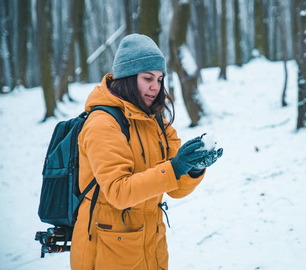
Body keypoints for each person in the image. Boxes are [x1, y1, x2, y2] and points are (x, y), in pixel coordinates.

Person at [70, 33, 222, 270]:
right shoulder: (103, 123)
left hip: (151, 247)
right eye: (147, 78)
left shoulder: (155, 121)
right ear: (128, 78)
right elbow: (118, 192)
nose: (156, 86)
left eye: (160, 79)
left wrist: (193, 168)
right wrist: (175, 167)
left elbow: (175, 188)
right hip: (105, 252)